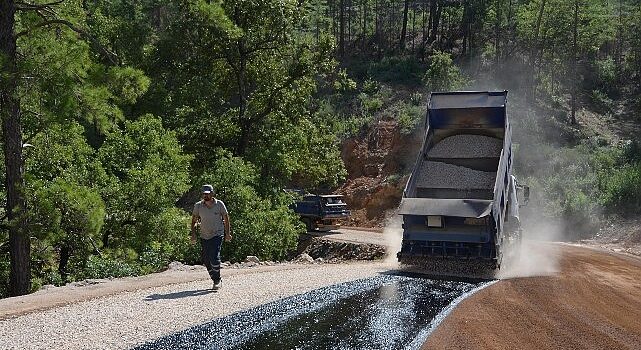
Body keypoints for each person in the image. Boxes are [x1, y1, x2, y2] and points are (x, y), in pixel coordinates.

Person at [191, 184, 232, 290]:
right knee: (206, 260)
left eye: (208, 194)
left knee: (214, 257)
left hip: (217, 234)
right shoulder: (198, 206)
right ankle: (215, 279)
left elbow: (226, 219)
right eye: (204, 194)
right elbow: (194, 220)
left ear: (212, 194)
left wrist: (227, 233)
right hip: (204, 235)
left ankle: (217, 280)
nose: (206, 196)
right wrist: (193, 234)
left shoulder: (219, 204)